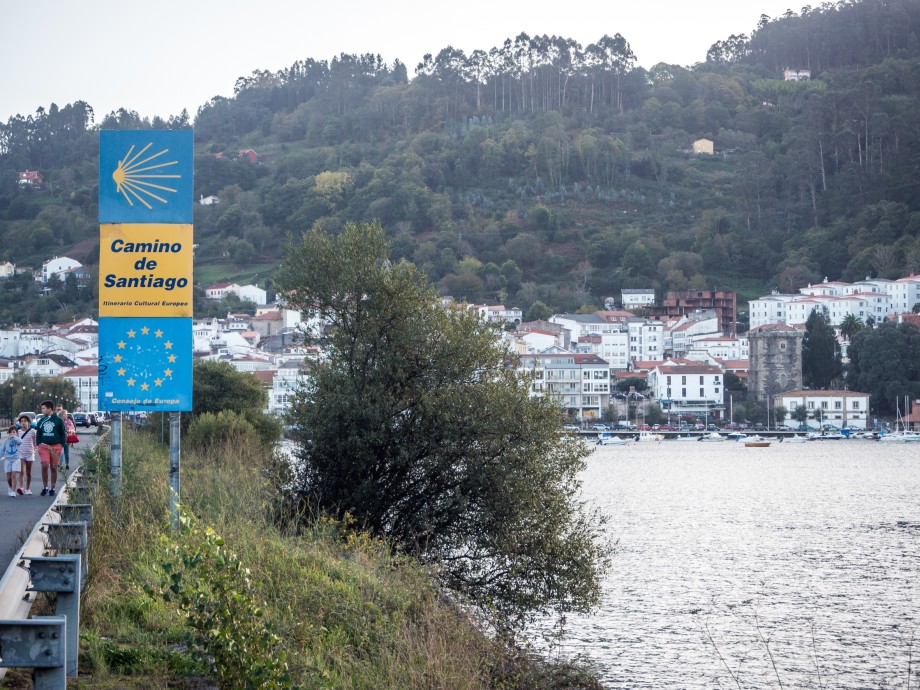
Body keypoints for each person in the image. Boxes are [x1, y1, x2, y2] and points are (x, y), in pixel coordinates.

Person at [35, 400, 64, 497]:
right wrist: (39, 444)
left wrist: (61, 445)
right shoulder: (41, 421)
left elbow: (62, 434)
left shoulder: (58, 420)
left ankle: (52, 488)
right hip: (44, 446)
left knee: (54, 467)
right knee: (44, 465)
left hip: (56, 446)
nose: (42, 410)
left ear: (50, 409)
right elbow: (38, 433)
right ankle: (45, 487)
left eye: (43, 408)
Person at [17, 414, 36, 495]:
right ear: (20, 423)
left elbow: (35, 442)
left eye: (25, 421)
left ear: (29, 422)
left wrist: (34, 449)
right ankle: (21, 487)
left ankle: (27, 488)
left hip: (30, 454)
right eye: (21, 421)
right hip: (21, 454)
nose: (23, 423)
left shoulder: (33, 431)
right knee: (21, 471)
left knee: (29, 472)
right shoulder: (18, 432)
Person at [0, 426, 21, 497]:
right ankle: (10, 487)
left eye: (14, 432)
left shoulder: (17, 440)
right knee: (8, 478)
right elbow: (2, 450)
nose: (12, 434)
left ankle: (13, 491)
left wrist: (14, 437)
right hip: (7, 460)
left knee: (14, 475)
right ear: (8, 433)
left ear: (17, 433)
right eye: (11, 432)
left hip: (16, 459)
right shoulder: (6, 441)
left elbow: (20, 442)